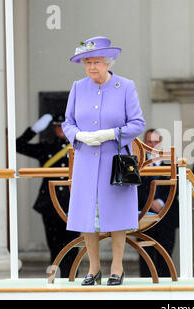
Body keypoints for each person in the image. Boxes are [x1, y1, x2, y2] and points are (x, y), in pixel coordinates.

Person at [62, 36, 146, 286]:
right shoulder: (78, 87)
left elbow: (138, 123)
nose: (91, 68)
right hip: (86, 161)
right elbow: (67, 122)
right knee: (88, 215)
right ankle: (93, 267)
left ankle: (117, 267)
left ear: (107, 62)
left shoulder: (126, 86)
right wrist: (79, 136)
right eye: (87, 62)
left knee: (117, 215)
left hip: (115, 161)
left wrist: (111, 134)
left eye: (96, 62)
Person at [16, 113, 79, 278]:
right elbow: (18, 145)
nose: (60, 130)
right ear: (53, 128)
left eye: (63, 126)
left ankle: (72, 278)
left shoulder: (79, 146)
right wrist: (34, 130)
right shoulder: (47, 147)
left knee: (73, 244)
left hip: (74, 203)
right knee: (55, 244)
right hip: (50, 203)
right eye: (57, 126)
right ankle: (56, 278)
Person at [137, 129, 179, 277]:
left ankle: (167, 291)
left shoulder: (171, 162)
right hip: (143, 216)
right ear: (144, 143)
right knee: (145, 258)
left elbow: (175, 186)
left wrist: (161, 201)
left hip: (166, 217)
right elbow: (135, 188)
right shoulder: (138, 162)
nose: (153, 145)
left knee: (165, 257)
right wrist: (150, 202)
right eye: (150, 142)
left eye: (156, 141)